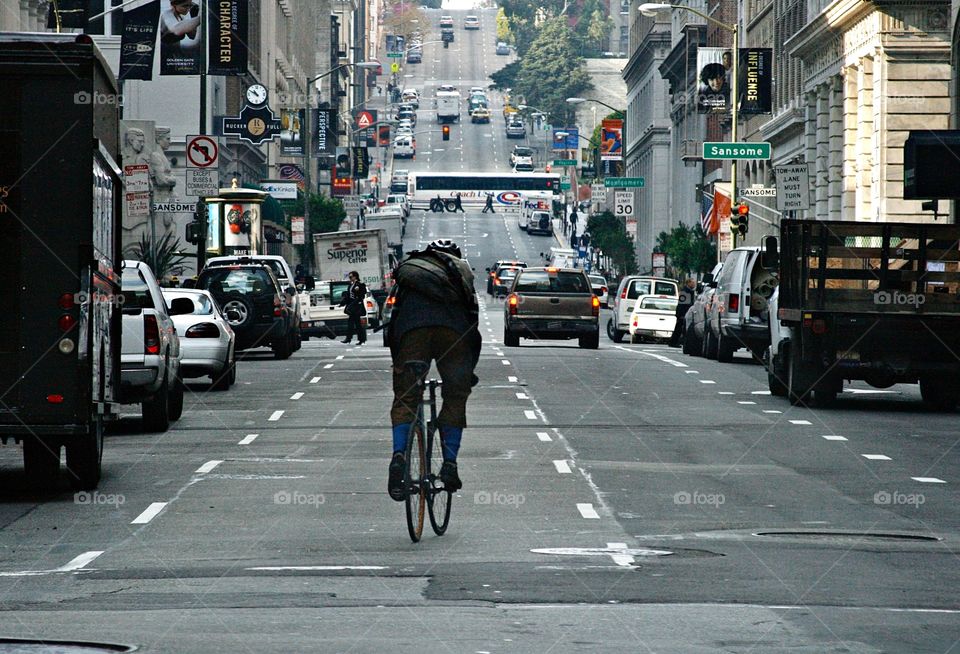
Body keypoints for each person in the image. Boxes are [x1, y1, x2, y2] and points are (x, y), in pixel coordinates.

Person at [386, 239, 481, 499]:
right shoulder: (461, 272)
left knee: (405, 398)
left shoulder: (409, 271)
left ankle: (398, 457)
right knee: (455, 396)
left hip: (411, 331)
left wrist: (399, 364)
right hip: (453, 334)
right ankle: (449, 464)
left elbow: (392, 322)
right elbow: (473, 323)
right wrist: (467, 372)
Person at [339, 271, 367, 345]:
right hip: (352, 306)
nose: (350, 278)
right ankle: (360, 339)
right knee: (356, 323)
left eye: (351, 277)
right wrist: (342, 303)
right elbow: (348, 296)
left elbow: (362, 295)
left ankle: (350, 338)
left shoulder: (360, 285)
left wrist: (356, 300)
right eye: (349, 277)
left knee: (353, 323)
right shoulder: (351, 285)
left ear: (355, 277)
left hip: (357, 307)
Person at [670, 278, 697, 347]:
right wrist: (682, 314)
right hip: (682, 313)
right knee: (679, 328)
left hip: (686, 312)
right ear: (688, 283)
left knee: (680, 328)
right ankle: (673, 342)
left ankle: (675, 342)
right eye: (693, 283)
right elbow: (682, 304)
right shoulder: (685, 292)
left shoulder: (689, 291)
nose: (694, 284)